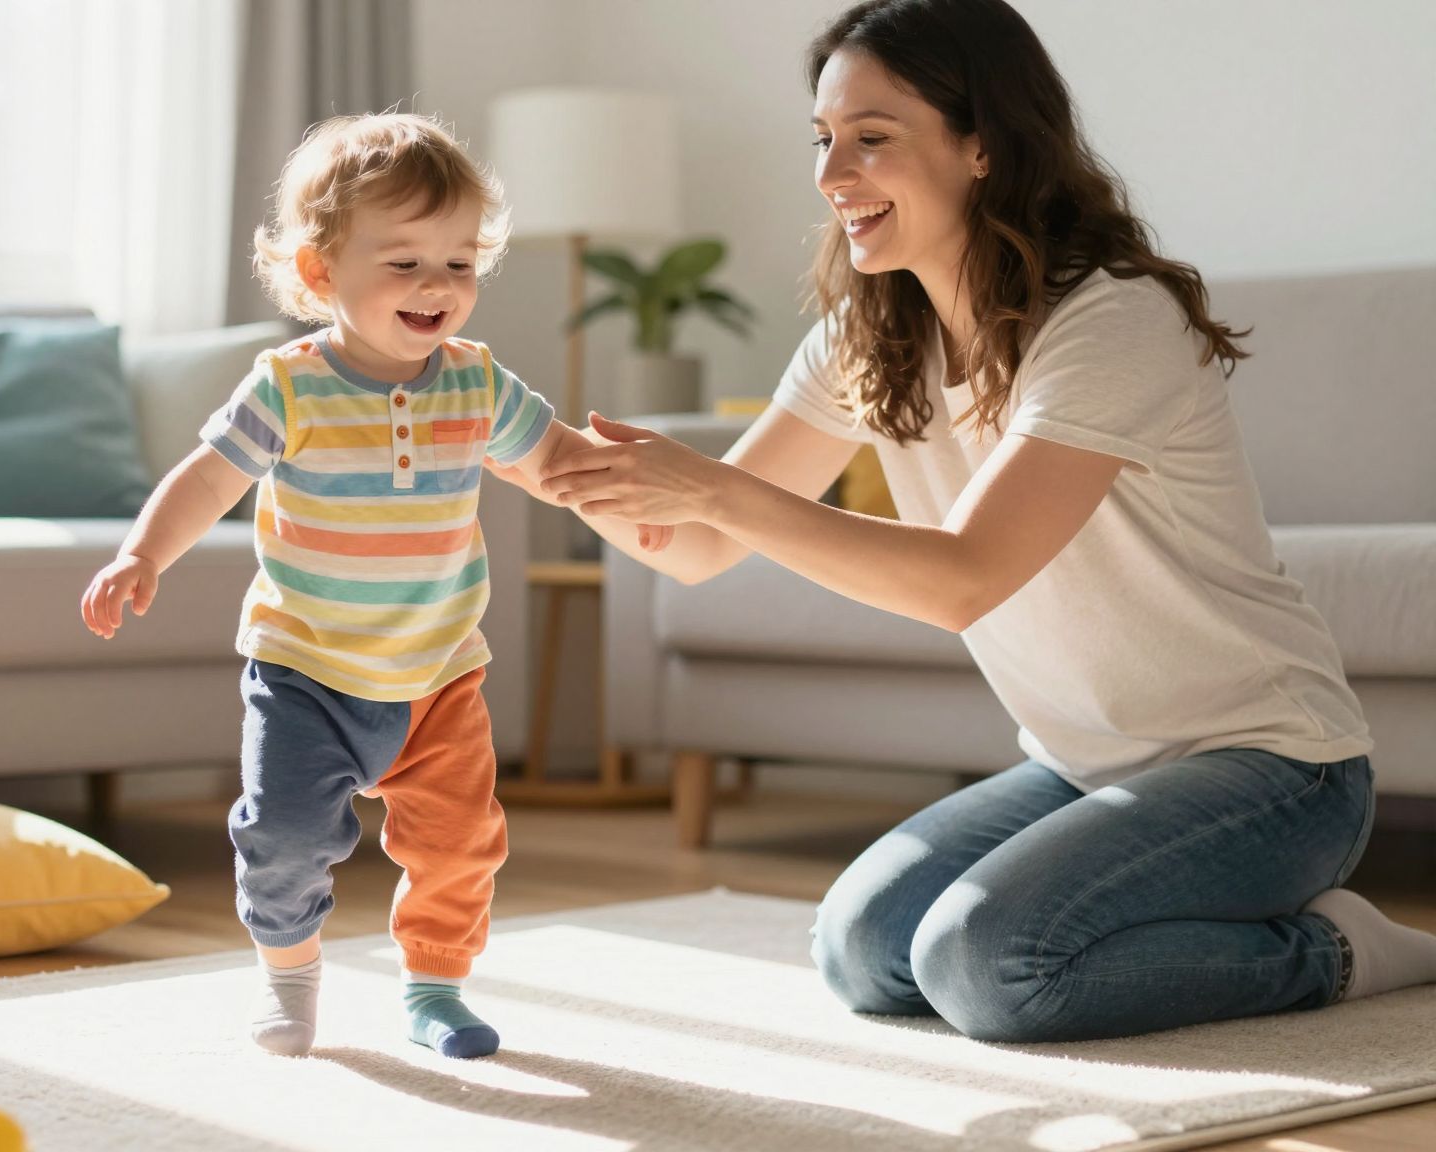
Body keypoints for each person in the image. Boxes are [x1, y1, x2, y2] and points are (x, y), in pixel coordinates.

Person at [541, 0, 1436, 1042]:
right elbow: (686, 551)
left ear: (981, 145)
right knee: (862, 952)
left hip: (1275, 770)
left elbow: (964, 575)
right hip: (1083, 764)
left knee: (987, 964)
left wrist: (712, 485)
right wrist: (515, 444)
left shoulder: (1106, 319)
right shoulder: (862, 337)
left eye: (870, 139)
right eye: (823, 140)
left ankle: (1337, 950)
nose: (832, 175)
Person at [80, 112, 665, 1059]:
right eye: (404, 265)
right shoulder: (289, 387)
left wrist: (627, 500)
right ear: (320, 275)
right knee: (283, 838)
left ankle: (436, 987)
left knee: (460, 843)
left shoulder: (477, 385)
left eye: (460, 264)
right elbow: (208, 477)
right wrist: (145, 553)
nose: (438, 287)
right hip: (308, 670)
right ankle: (290, 973)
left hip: (439, 675)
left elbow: (555, 460)